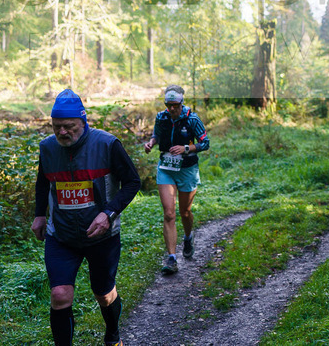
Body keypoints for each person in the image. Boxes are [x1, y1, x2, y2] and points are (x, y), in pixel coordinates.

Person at [32, 89, 141, 346]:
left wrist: (108, 214)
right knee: (59, 295)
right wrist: (39, 215)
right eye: (56, 126)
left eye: (69, 127)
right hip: (61, 236)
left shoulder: (107, 144)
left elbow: (132, 182)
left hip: (102, 235)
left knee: (104, 294)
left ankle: (112, 333)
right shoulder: (48, 148)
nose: (62, 132)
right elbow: (42, 182)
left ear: (84, 122)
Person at [143, 84, 209, 275]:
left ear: (182, 103)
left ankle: (188, 237)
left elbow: (205, 143)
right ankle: (171, 258)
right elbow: (156, 134)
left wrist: (186, 148)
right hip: (166, 168)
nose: (171, 109)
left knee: (185, 212)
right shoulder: (161, 117)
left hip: (187, 169)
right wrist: (151, 143)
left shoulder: (192, 119)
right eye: (168, 104)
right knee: (169, 213)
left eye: (175, 105)